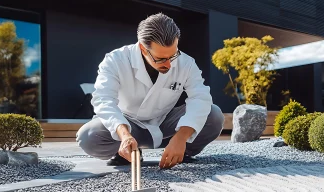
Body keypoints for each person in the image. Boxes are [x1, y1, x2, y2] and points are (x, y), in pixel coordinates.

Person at [76, 13, 224, 169]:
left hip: (166, 124)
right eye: (160, 59)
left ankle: (180, 151)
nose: (168, 65)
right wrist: (124, 135)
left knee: (213, 115)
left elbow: (200, 98)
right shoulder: (115, 60)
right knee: (88, 136)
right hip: (128, 124)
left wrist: (181, 137)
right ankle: (128, 151)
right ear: (143, 48)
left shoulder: (186, 63)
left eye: (172, 56)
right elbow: (103, 99)